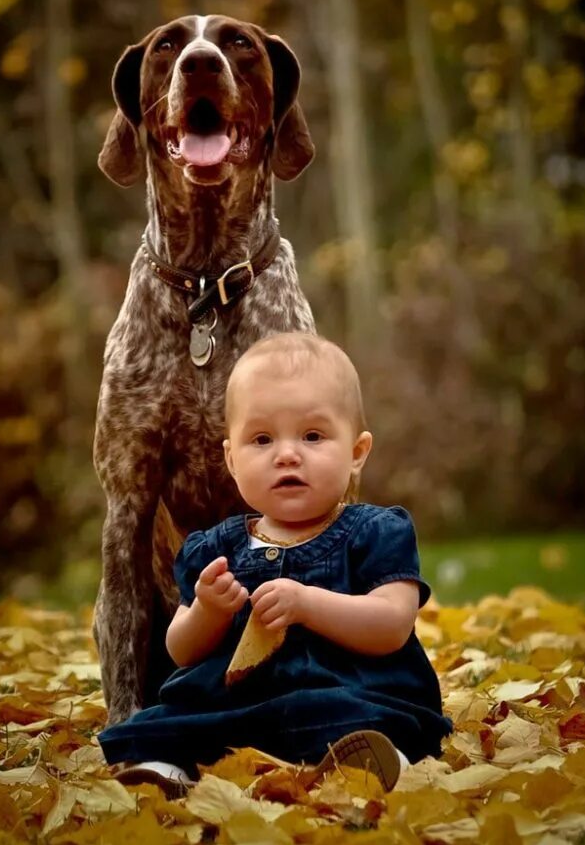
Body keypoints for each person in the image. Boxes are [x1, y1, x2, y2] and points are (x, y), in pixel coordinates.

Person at [98, 333, 452, 796]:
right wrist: (209, 609)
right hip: (236, 708)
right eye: (262, 439)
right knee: (171, 724)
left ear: (357, 453)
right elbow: (181, 650)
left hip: (343, 698)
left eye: (312, 436)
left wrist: (307, 604)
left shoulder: (375, 531)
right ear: (231, 459)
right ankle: (167, 772)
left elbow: (392, 624)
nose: (287, 454)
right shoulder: (217, 547)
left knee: (375, 721)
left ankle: (370, 763)